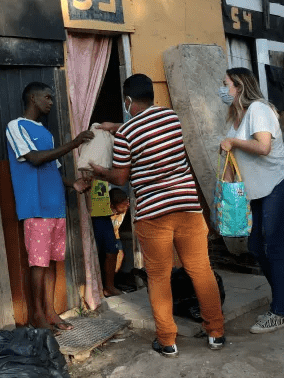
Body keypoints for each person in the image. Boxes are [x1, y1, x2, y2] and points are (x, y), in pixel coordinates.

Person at [89, 74, 225, 357]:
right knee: (201, 270)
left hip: (154, 215)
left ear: (127, 101)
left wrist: (100, 172)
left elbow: (121, 176)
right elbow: (147, 131)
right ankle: (216, 333)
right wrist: (118, 127)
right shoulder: (171, 118)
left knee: (160, 278)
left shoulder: (127, 135)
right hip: (187, 208)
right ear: (151, 95)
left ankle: (167, 341)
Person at [219, 67, 284, 333]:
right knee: (256, 246)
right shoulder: (233, 118)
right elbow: (232, 157)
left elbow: (263, 147)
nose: (222, 89)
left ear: (239, 87)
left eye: (226, 84)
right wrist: (228, 189)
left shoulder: (259, 109)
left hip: (280, 183)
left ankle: (279, 311)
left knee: (273, 245)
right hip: (257, 190)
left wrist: (233, 142)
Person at [5, 81, 94, 332]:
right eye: (47, 97)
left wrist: (72, 185)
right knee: (38, 264)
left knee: (53, 262)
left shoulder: (46, 133)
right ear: (33, 99)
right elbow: (34, 159)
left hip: (55, 207)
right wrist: (74, 144)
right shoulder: (16, 126)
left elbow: (52, 169)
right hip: (36, 207)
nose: (51, 102)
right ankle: (37, 316)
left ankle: (51, 312)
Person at [86, 182, 129, 296]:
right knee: (95, 253)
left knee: (111, 251)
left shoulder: (102, 175)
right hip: (92, 214)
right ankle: (97, 288)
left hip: (103, 214)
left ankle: (109, 287)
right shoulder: (86, 169)